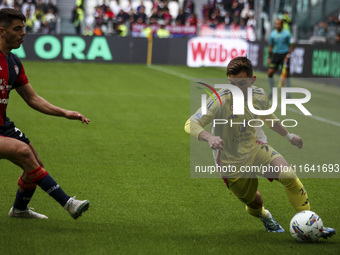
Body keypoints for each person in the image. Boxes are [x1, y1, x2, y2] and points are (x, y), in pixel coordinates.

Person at [185, 56, 335, 237]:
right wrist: (209, 137)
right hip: (230, 160)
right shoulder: (220, 98)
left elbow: (269, 118)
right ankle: (265, 215)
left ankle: (312, 224)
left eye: (240, 83)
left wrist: (289, 136)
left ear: (252, 80)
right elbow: (190, 123)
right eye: (231, 83)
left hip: (255, 147)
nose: (235, 89)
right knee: (255, 201)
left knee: (288, 174)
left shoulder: (259, 96)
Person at [0, 8, 90, 219]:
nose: (23, 33)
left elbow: (32, 98)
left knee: (35, 164)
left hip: (3, 125)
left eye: (24, 28)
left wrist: (65, 113)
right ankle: (68, 203)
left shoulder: (14, 62)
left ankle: (19, 209)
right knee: (23, 152)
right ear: (2, 31)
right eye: (18, 29)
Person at [267, 19, 294, 98]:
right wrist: (269, 57)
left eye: (278, 24)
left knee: (286, 75)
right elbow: (271, 46)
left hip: (285, 55)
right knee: (270, 73)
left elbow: (292, 45)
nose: (277, 25)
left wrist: (288, 56)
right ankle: (272, 92)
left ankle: (288, 94)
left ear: (282, 25)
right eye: (276, 24)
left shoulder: (287, 33)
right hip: (275, 55)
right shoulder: (273, 34)